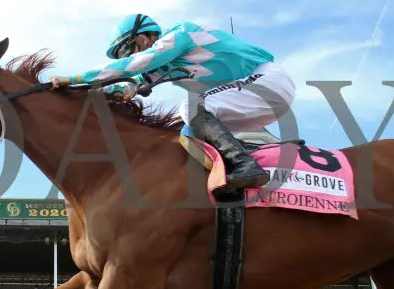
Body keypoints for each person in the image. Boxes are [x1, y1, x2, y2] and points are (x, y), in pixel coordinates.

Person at [49, 14, 296, 191]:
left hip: (268, 81)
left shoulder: (181, 34)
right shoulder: (164, 66)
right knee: (187, 128)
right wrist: (79, 93)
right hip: (254, 99)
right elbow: (127, 86)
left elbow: (133, 65)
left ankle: (245, 165)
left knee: (191, 108)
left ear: (144, 38)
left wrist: (75, 78)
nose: (128, 56)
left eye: (126, 50)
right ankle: (241, 160)